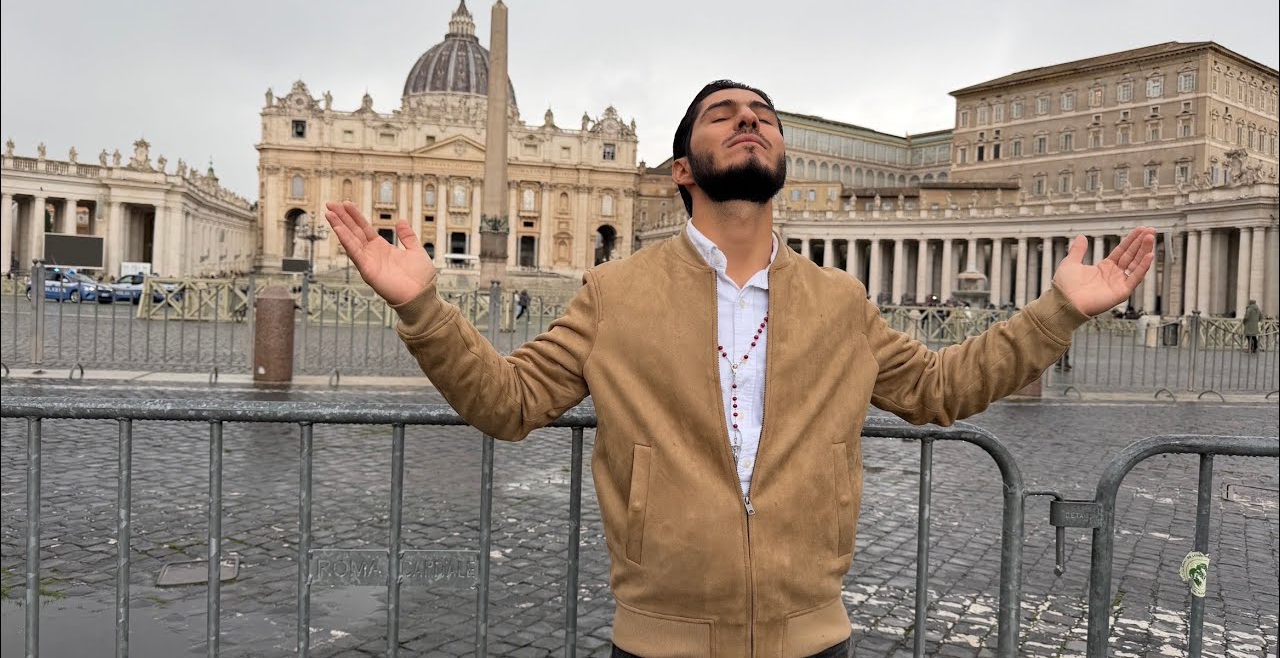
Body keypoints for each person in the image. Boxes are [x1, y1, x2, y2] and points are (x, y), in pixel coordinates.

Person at [325, 80, 1155, 658]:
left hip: (813, 635)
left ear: (784, 156)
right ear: (683, 167)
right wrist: (422, 309)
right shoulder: (614, 292)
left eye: (763, 114)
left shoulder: (841, 299)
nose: (749, 121)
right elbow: (508, 402)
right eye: (723, 115)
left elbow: (941, 388)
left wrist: (1060, 314)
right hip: (660, 638)